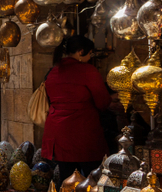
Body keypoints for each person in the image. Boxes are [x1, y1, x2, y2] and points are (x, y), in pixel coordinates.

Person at [40, 35, 110, 184]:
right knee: (93, 180)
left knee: (67, 180)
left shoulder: (53, 71)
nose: (90, 57)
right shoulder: (87, 71)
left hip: (58, 133)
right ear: (81, 51)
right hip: (82, 132)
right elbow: (103, 102)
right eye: (90, 53)